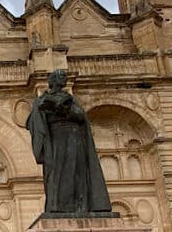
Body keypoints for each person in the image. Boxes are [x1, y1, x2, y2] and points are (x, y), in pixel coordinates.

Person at [26, 69, 111, 214]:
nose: (64, 79)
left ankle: (80, 205)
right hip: (56, 139)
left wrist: (66, 110)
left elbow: (81, 117)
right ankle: (58, 206)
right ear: (52, 81)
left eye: (65, 77)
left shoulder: (70, 99)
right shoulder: (41, 100)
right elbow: (34, 121)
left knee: (78, 172)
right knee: (57, 173)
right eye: (61, 77)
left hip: (74, 137)